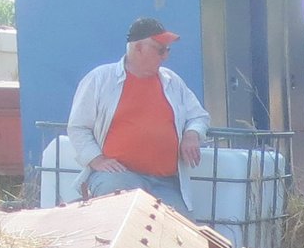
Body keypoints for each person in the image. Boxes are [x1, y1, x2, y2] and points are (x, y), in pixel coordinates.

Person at [66, 16, 210, 214]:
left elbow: (198, 116)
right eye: (160, 49)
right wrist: (96, 159)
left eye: (167, 50)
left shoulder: (172, 81)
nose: (165, 56)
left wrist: (191, 134)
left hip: (166, 182)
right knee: (127, 220)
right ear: (138, 48)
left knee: (180, 235)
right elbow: (78, 127)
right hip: (118, 176)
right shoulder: (100, 79)